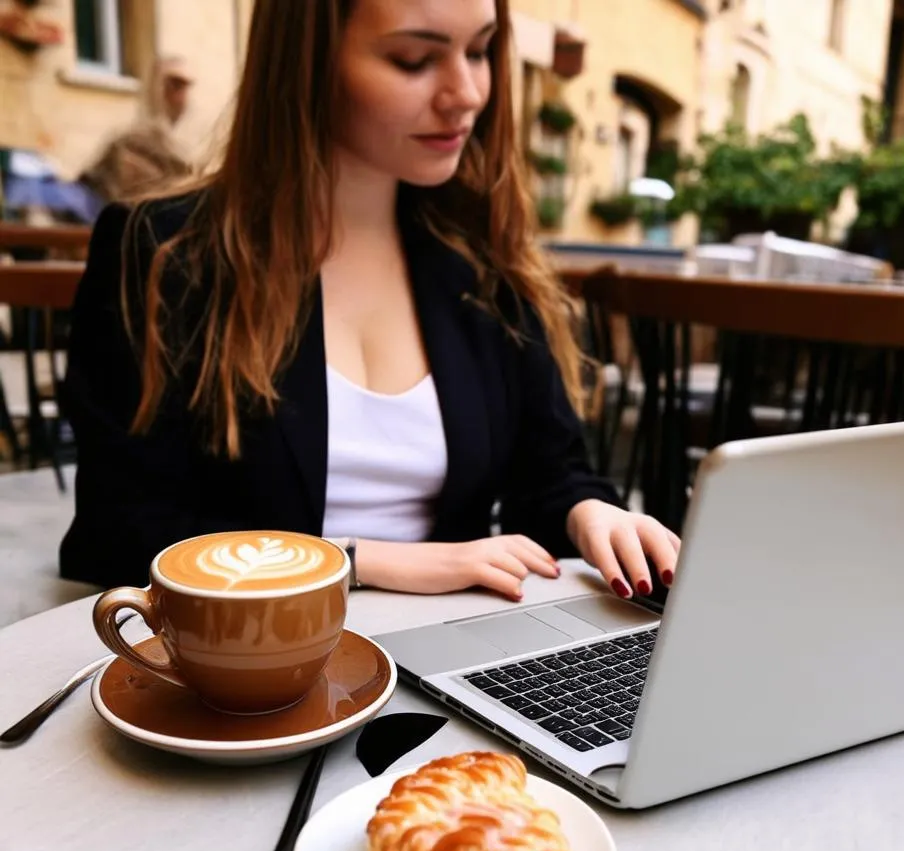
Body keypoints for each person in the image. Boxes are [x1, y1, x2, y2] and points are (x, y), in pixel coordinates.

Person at [60, 0, 679, 606]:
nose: (465, 92)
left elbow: (550, 474)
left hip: (444, 654)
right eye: (414, 59)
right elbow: (117, 533)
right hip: (238, 670)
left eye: (480, 50)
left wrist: (591, 514)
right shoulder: (165, 253)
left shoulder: (485, 267)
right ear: (308, 62)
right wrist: (358, 562)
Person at [77, 56, 193, 206]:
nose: (181, 97)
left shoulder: (177, 151)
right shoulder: (133, 144)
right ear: (155, 88)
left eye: (182, 88)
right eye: (174, 85)